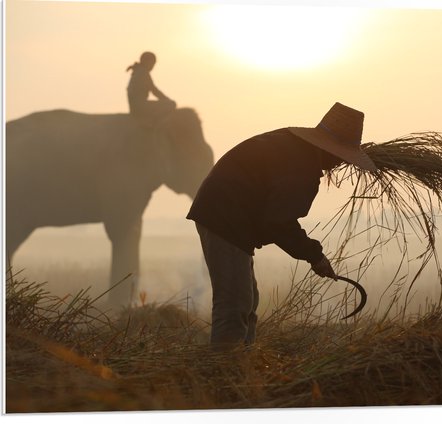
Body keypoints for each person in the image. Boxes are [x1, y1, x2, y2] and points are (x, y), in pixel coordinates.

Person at [187, 102, 377, 348]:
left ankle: (243, 363)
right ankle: (224, 371)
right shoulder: (300, 168)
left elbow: (274, 218)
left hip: (226, 217)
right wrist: (314, 256)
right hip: (224, 219)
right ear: (329, 150)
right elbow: (279, 223)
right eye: (340, 156)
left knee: (247, 300)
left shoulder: (293, 149)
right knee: (234, 305)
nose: (340, 163)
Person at [126, 51, 176, 126]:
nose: (153, 66)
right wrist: (167, 100)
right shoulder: (143, 73)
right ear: (147, 62)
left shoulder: (138, 71)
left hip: (135, 107)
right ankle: (155, 123)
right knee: (171, 104)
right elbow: (154, 91)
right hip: (140, 107)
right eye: (153, 63)